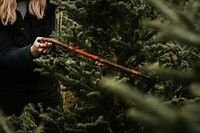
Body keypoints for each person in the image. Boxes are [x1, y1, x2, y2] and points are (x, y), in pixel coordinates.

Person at [0, 0, 63, 116]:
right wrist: (31, 51)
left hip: (45, 82)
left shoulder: (48, 3)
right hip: (10, 86)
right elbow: (5, 54)